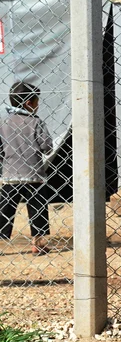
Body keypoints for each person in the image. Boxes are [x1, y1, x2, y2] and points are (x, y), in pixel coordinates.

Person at [0, 82, 53, 255]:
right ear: (28, 103)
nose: (38, 106)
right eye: (36, 102)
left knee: (4, 210)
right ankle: (37, 243)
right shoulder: (36, 122)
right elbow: (47, 146)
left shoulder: (4, 123)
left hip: (10, 175)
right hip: (33, 175)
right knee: (38, 208)